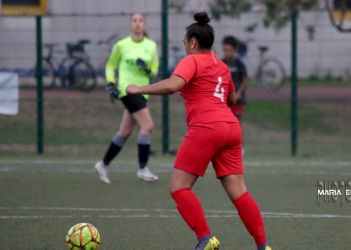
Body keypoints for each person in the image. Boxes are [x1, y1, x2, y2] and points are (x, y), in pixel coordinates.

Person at [126, 12, 271, 250]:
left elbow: (173, 85)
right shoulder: (222, 66)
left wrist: (138, 88)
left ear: (193, 42)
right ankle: (263, 245)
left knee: (178, 187)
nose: (185, 48)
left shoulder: (192, 60)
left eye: (185, 43)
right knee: (240, 192)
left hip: (207, 127)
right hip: (231, 127)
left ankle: (205, 238)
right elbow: (232, 97)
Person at [95, 13, 159, 183]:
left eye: (140, 21)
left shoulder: (151, 46)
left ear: (144, 25)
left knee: (125, 132)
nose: (137, 24)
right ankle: (142, 168)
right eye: (134, 21)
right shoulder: (122, 45)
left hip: (142, 91)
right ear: (131, 25)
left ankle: (103, 163)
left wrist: (146, 68)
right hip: (127, 90)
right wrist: (110, 82)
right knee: (148, 126)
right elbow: (110, 65)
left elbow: (154, 70)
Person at [222, 35, 249, 122]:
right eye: (225, 50)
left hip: (237, 99)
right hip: (224, 100)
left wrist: (238, 93)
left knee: (236, 124)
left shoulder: (239, 64)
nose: (227, 53)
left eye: (229, 51)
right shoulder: (220, 63)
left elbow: (245, 81)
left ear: (234, 50)